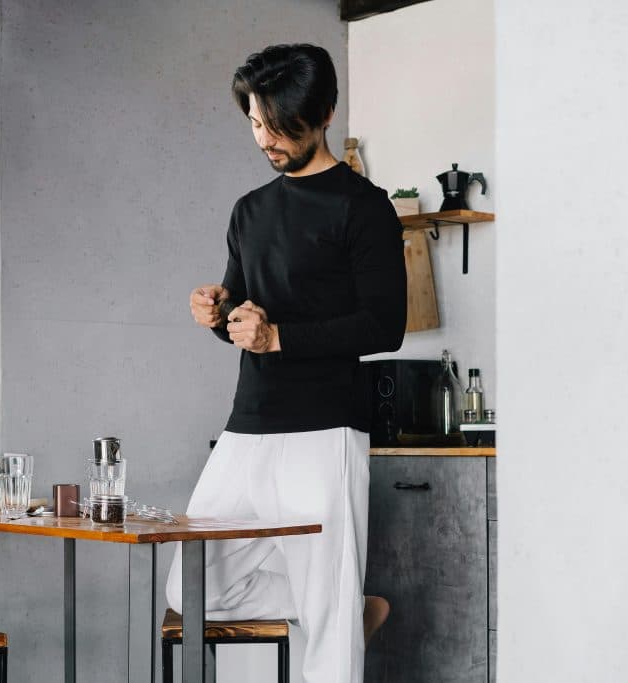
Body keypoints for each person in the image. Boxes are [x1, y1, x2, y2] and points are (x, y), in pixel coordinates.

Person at [165, 43, 406, 683]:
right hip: (249, 426)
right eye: (255, 123)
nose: (266, 139)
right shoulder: (249, 211)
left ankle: (340, 616)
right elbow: (248, 320)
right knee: (188, 587)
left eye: (280, 126)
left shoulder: (364, 206)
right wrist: (219, 314)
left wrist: (281, 338)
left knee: (326, 621)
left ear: (324, 113)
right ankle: (350, 610)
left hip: (325, 428)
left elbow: (386, 325)